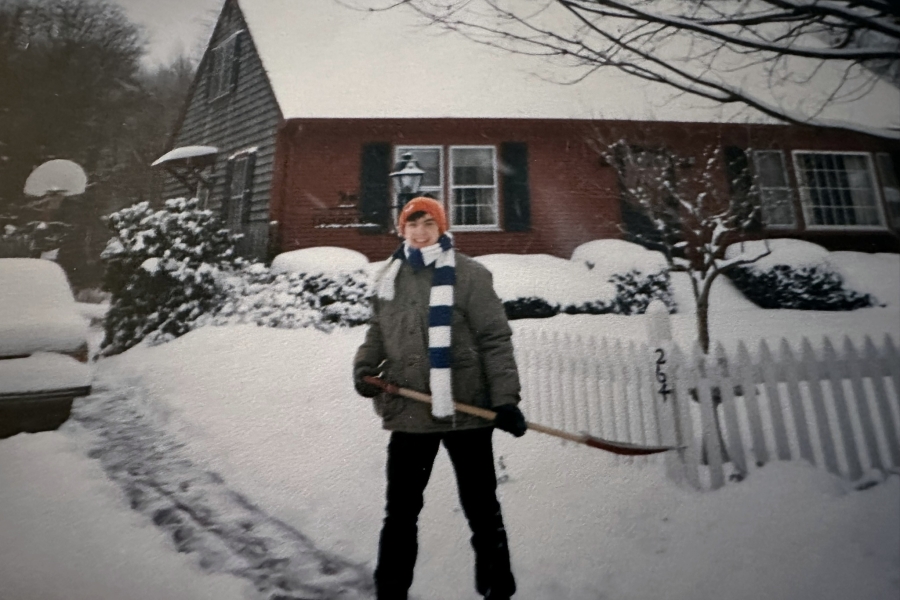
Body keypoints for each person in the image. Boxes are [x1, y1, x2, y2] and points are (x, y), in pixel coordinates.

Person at [353, 197, 528, 600]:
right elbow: (377, 332)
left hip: (466, 412)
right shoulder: (387, 278)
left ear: (442, 228)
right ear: (402, 230)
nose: (419, 233)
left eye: (427, 224)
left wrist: (506, 400)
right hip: (409, 412)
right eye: (411, 225)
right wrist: (364, 367)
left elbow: (495, 340)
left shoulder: (469, 275)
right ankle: (391, 590)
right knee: (400, 512)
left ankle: (497, 588)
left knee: (482, 509)